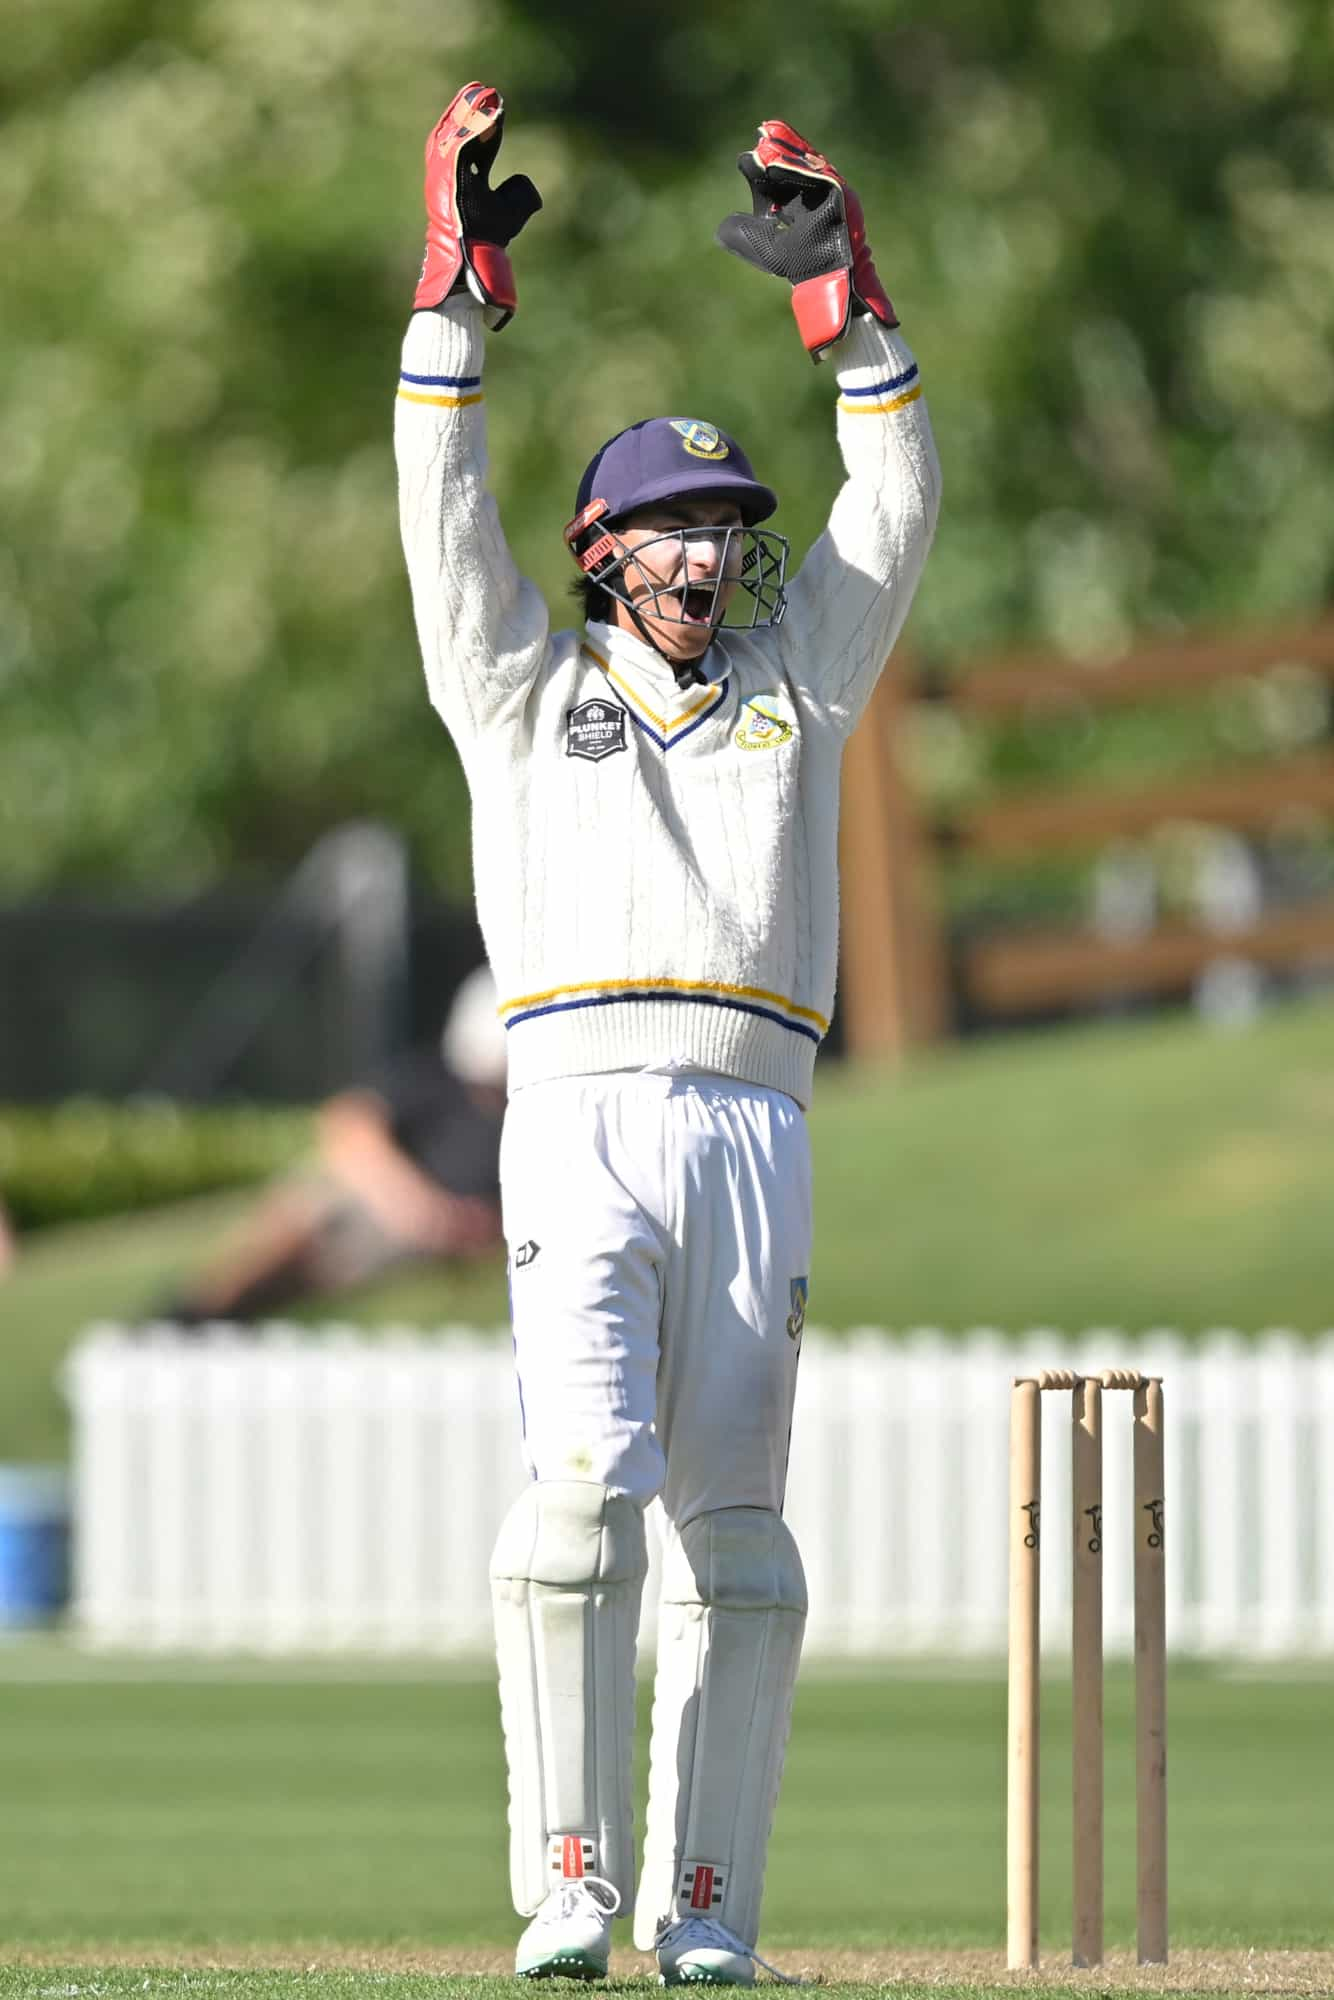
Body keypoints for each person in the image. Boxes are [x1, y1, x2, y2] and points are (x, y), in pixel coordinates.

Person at [396, 85, 940, 1983]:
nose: (708, 560)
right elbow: (440, 518)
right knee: (580, 1502)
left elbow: (892, 508)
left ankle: (705, 1916)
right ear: (606, 551)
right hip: (577, 1111)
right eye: (674, 530)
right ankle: (569, 1877)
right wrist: (453, 312)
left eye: (726, 529)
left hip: (754, 1120)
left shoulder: (799, 688)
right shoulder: (519, 695)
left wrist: (848, 320)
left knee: (742, 1537)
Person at [159, 965, 505, 1326]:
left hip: (423, 1245)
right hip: (379, 1204)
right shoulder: (433, 1080)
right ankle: (189, 1315)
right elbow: (347, 1126)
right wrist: (415, 1208)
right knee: (302, 1219)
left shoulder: (530, 1115)